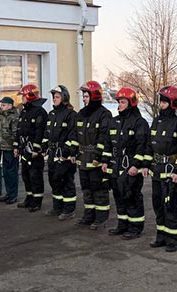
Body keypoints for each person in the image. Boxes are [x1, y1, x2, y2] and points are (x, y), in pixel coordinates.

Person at [146, 85, 177, 252]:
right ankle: (162, 236)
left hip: (173, 173)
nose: (161, 105)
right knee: (158, 205)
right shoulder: (157, 121)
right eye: (161, 102)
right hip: (157, 171)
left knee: (172, 206)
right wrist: (146, 165)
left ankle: (174, 239)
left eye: (164, 102)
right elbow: (149, 145)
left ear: (174, 103)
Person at [105, 87, 149, 239]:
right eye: (119, 102)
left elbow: (142, 146)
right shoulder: (114, 121)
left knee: (132, 196)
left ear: (131, 103)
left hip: (130, 167)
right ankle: (122, 224)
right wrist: (105, 161)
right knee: (119, 196)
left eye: (123, 102)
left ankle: (136, 227)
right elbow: (108, 143)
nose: (120, 105)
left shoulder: (139, 123)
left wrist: (136, 165)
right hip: (116, 166)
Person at [72, 81, 112, 228]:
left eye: (86, 96)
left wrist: (98, 156)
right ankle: (89, 216)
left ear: (94, 96)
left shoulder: (104, 115)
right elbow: (75, 134)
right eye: (83, 96)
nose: (84, 99)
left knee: (99, 190)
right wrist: (73, 152)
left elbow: (104, 137)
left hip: (95, 160)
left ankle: (101, 218)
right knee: (86, 190)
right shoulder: (81, 114)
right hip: (83, 159)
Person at [43, 85, 78, 220]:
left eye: (57, 97)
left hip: (64, 156)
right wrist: (44, 146)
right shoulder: (52, 114)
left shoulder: (71, 115)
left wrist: (66, 153)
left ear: (64, 98)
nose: (54, 99)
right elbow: (47, 133)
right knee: (54, 180)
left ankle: (69, 210)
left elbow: (73, 135)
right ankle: (57, 207)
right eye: (54, 97)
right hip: (52, 154)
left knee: (66, 181)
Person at [15, 84, 48, 212]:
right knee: (26, 175)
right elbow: (19, 130)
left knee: (35, 176)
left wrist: (36, 149)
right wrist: (16, 146)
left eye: (23, 96)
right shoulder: (24, 111)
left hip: (34, 152)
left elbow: (40, 132)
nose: (21, 98)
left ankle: (37, 201)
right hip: (25, 150)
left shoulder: (40, 112)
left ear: (30, 96)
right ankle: (29, 198)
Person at [0, 97, 19, 204]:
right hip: (4, 147)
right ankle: (8, 193)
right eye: (1, 105)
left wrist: (16, 147)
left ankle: (13, 195)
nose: (1, 107)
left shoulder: (13, 116)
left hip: (11, 148)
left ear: (10, 105)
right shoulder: (2, 116)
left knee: (12, 172)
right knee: (6, 172)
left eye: (4, 105)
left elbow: (15, 133)